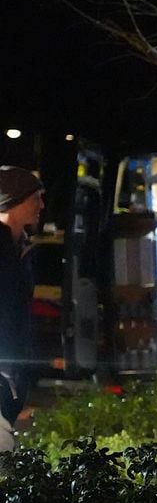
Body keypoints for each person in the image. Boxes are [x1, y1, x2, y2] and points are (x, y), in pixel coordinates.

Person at [0, 166, 44, 452]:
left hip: (12, 371)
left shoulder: (21, 248)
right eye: (35, 198)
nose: (42, 205)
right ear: (12, 201)